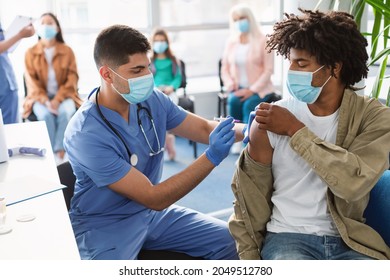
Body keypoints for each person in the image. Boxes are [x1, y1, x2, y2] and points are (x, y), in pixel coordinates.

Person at [63, 24, 244, 260]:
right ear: (107, 74)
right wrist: (211, 157)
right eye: (137, 70)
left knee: (230, 243)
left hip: (150, 215)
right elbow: (154, 197)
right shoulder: (84, 134)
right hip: (104, 224)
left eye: (148, 68)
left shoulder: (152, 100)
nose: (147, 77)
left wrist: (252, 129)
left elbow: (203, 128)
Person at [228, 9, 390, 260]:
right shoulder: (269, 119)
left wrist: (295, 130)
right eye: (290, 61)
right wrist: (251, 262)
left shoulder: (373, 118)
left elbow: (352, 183)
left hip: (350, 240)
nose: (292, 70)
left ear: (334, 68)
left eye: (301, 64)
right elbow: (248, 200)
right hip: (287, 238)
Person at [24, 12, 82, 163]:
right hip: (39, 98)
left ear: (57, 28)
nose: (45, 26)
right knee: (45, 116)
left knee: (65, 113)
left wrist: (57, 100)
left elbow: (72, 79)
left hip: (65, 96)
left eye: (50, 23)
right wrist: (45, 101)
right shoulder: (30, 53)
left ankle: (60, 152)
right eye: (42, 23)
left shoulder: (67, 51)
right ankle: (50, 154)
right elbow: (31, 83)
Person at [221, 3, 275, 154]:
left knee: (249, 105)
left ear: (250, 18)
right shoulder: (231, 42)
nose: (240, 22)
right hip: (238, 88)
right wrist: (231, 85)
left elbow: (268, 70)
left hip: (260, 89)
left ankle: (248, 143)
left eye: (242, 18)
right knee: (233, 101)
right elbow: (225, 66)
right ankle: (236, 138)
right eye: (236, 19)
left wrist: (251, 90)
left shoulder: (263, 40)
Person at [150, 28, 182, 160]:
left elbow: (178, 78)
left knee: (169, 109)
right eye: (157, 41)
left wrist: (171, 87)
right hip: (155, 91)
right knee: (155, 109)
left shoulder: (173, 60)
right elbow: (148, 78)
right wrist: (155, 88)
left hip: (170, 92)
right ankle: (166, 140)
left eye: (162, 41)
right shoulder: (150, 61)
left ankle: (166, 140)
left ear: (167, 42)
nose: (160, 43)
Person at [0, 19, 35, 124]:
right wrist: (20, 35)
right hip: (4, 81)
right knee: (8, 129)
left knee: (9, 129)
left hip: (6, 79)